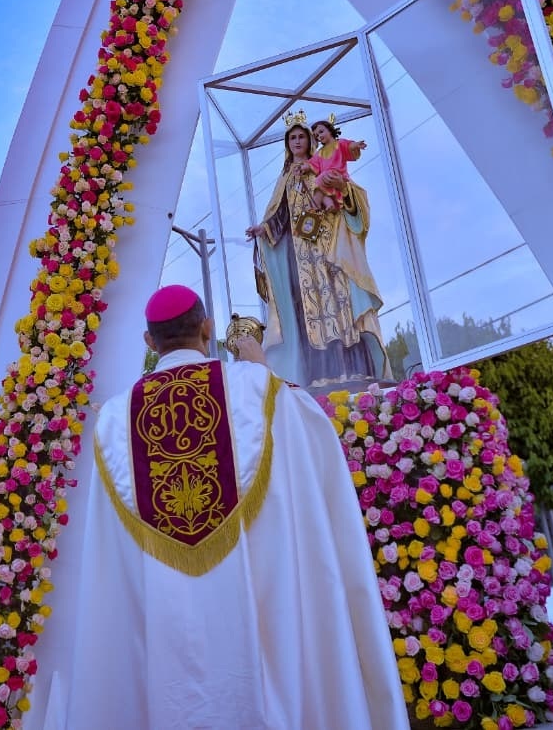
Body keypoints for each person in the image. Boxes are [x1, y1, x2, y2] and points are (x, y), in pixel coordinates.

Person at [54, 285, 408, 728]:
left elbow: (110, 561)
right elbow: (313, 438)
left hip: (162, 625)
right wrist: (259, 365)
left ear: (150, 342)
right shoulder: (257, 390)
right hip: (264, 611)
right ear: (207, 328)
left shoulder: (114, 418)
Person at [245, 119, 391, 389]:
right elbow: (279, 216)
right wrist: (263, 229)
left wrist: (344, 191)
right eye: (293, 139)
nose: (298, 142)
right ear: (288, 146)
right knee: (310, 313)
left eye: (302, 137)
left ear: (311, 141)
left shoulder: (322, 164)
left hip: (329, 250)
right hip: (301, 260)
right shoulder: (287, 177)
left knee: (340, 308)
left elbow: (349, 194)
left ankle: (355, 371)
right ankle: (318, 375)